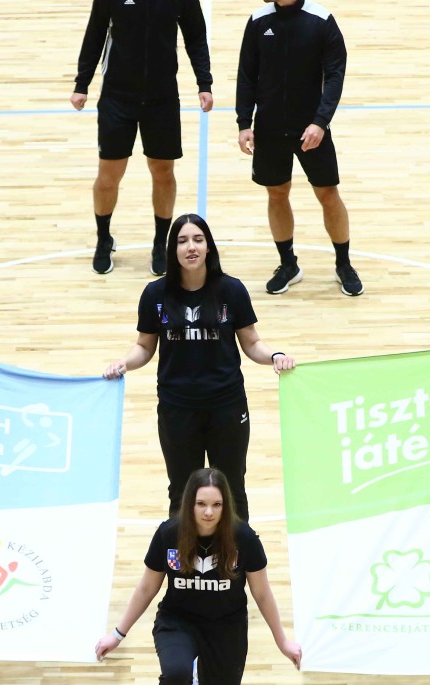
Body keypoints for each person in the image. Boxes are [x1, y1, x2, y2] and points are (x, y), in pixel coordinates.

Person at [95, 468, 301, 685]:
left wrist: (282, 641)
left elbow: (262, 592)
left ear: (226, 505)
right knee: (176, 673)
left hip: (226, 626)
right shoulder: (169, 534)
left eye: (216, 505)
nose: (208, 512)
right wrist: (117, 634)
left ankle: (208, 674)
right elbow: (147, 588)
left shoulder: (243, 537)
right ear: (189, 503)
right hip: (179, 621)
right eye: (201, 504)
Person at [103, 213, 295, 521]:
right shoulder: (155, 294)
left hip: (227, 406)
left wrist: (276, 356)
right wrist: (124, 363)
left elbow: (251, 343)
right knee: (182, 491)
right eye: (182, 241)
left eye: (198, 239)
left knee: (231, 489)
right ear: (173, 250)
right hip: (177, 408)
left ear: (208, 247)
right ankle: (181, 552)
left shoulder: (231, 290)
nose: (190, 247)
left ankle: (237, 551)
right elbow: (144, 346)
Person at [71, 0, 213, 276]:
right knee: (109, 174)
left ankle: (161, 244)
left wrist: (204, 83)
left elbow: (195, 35)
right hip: (117, 99)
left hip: (162, 99)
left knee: (163, 171)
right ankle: (104, 239)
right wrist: (81, 83)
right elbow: (95, 33)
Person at [236, 0, 362, 297]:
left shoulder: (321, 20)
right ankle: (288, 264)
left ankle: (344, 264)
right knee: (277, 193)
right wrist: (244, 122)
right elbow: (247, 75)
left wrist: (320, 122)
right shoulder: (258, 21)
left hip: (311, 130)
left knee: (328, 194)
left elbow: (335, 75)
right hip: (269, 129)